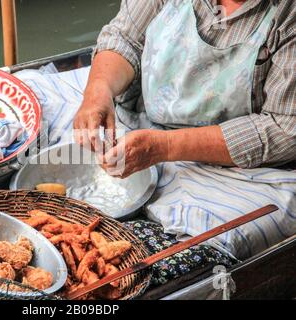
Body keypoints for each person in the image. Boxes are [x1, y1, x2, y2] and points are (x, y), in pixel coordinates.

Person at [16, 0, 295, 288]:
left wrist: (165, 147)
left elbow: (285, 128)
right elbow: (124, 37)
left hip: (231, 165)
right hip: (140, 114)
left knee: (244, 225)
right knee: (27, 97)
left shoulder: (288, 14)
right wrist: (98, 92)